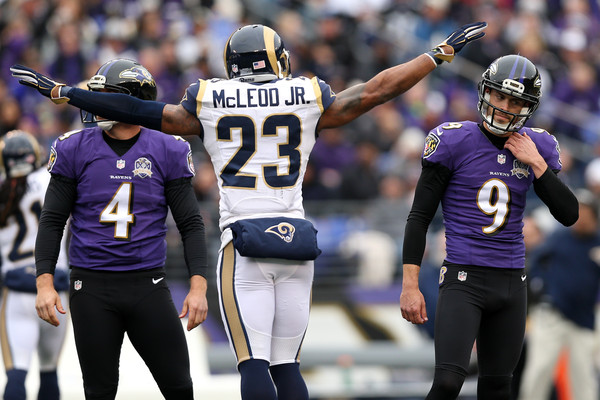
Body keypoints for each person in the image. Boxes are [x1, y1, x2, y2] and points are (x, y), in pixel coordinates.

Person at [10, 22, 488, 400]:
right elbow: (375, 91)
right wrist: (435, 55)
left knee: (253, 363)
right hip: (296, 239)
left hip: (243, 242)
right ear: (276, 58)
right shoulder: (305, 93)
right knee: (288, 367)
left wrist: (66, 92)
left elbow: (139, 112)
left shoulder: (210, 99)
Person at [399, 54, 580, 400]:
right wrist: (410, 285)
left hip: (512, 281)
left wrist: (537, 164)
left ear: (528, 107)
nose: (504, 107)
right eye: (499, 95)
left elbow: (569, 214)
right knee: (448, 382)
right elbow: (419, 216)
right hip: (463, 278)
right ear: (485, 92)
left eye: (515, 101)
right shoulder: (454, 140)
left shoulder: (537, 146)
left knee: (498, 388)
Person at [28, 59, 209, 400]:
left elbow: (190, 223)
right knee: (99, 391)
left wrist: (198, 286)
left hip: (148, 283)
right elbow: (52, 219)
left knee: (179, 387)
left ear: (130, 101)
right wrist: (44, 282)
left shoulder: (168, 148)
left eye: (104, 95)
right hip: (90, 285)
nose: (95, 103)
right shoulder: (74, 147)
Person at [0, 130, 69, 400]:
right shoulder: (53, 179)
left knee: (17, 373)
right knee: (50, 371)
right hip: (56, 287)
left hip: (17, 290)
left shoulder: (3, 188)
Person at [518, 189, 600, 400]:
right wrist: (541, 287)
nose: (580, 217)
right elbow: (536, 263)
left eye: (585, 212)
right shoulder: (560, 237)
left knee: (583, 376)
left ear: (594, 215)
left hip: (585, 318)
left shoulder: (597, 242)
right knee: (539, 370)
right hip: (553, 314)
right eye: (578, 211)